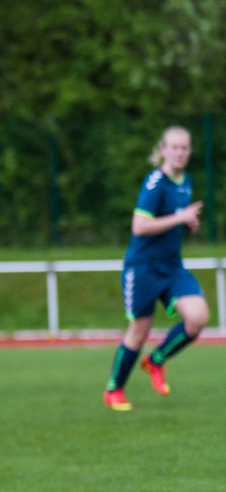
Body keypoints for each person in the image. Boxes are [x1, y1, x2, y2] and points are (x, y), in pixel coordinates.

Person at [103, 126, 207, 410]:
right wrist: (179, 217)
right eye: (174, 147)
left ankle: (156, 360)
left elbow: (174, 220)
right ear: (163, 150)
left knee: (197, 318)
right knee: (139, 331)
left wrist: (188, 223)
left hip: (172, 267)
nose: (180, 152)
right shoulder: (155, 182)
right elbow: (140, 226)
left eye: (185, 148)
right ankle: (114, 390)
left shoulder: (185, 182)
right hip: (143, 268)